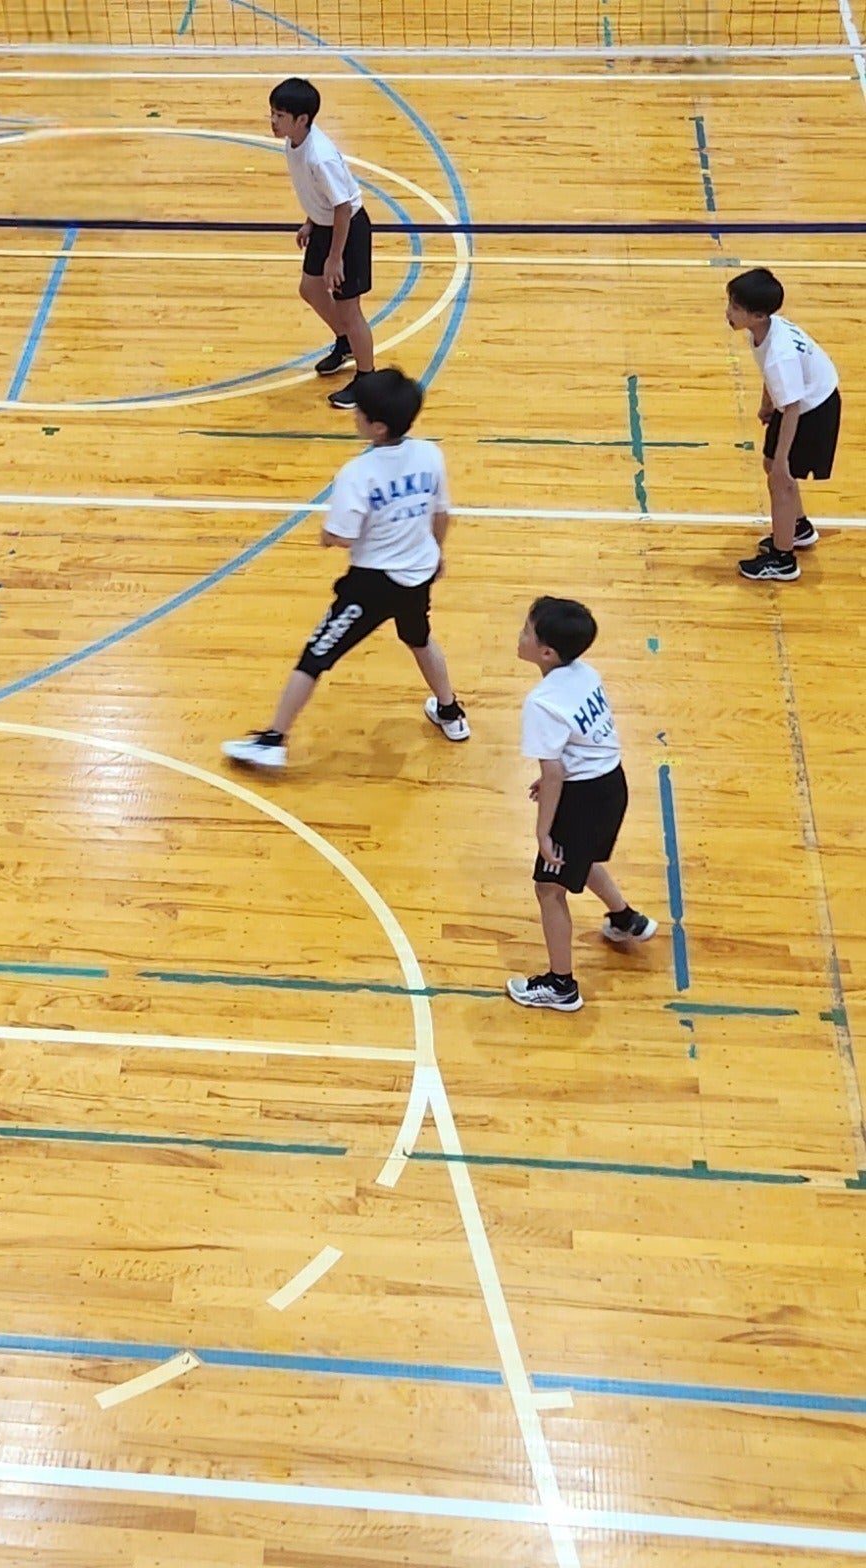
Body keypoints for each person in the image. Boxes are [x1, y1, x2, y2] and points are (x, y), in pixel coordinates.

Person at [223, 368, 468, 770]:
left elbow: (342, 535)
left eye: (360, 412)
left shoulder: (358, 474)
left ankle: (273, 739)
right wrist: (437, 553)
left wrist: (326, 536)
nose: (355, 416)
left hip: (371, 586)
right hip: (418, 573)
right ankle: (450, 710)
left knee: (315, 656)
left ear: (377, 426)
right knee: (419, 637)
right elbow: (442, 514)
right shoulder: (430, 454)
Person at [507, 598, 658, 1012]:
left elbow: (554, 770)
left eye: (526, 631)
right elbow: (583, 742)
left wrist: (543, 832)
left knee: (549, 888)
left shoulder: (541, 702)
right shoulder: (586, 673)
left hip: (582, 799)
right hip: (611, 784)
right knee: (582, 857)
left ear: (546, 652)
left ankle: (561, 986)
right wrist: (553, 781)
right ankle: (625, 919)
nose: (519, 635)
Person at [727, 268, 841, 583]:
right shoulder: (763, 330)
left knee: (780, 477)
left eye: (735, 308)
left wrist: (782, 461)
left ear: (758, 315)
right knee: (772, 466)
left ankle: (783, 559)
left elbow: (792, 407)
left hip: (812, 410)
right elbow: (773, 378)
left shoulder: (780, 354)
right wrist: (767, 404)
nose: (728, 312)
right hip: (804, 399)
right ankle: (798, 527)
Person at [269, 76, 376, 411]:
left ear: (302, 119)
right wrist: (311, 220)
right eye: (272, 113)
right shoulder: (293, 142)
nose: (273, 121)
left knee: (349, 308)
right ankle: (345, 342)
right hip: (325, 226)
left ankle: (366, 379)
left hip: (348, 231)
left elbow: (343, 206)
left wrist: (335, 257)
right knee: (310, 288)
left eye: (280, 115)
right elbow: (322, 195)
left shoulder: (320, 156)